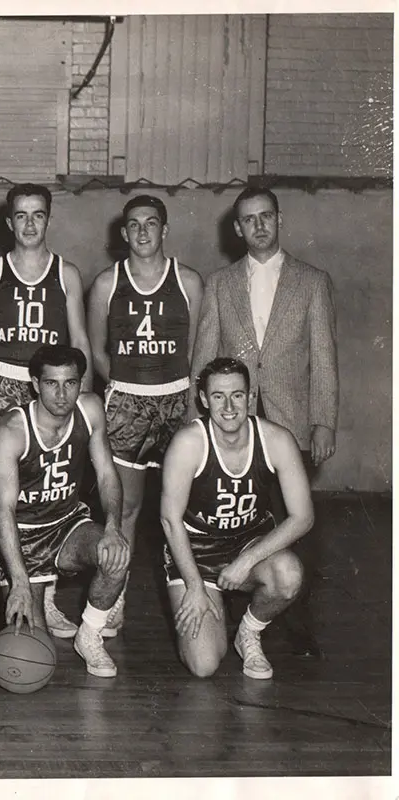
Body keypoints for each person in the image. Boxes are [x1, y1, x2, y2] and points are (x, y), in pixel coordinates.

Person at [190, 187, 337, 658]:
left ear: (279, 219)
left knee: (294, 523)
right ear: (237, 228)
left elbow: (324, 357)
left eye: (266, 216)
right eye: (249, 219)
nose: (258, 225)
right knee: (237, 516)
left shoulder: (312, 281)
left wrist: (323, 421)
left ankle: (292, 625)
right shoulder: (220, 282)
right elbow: (204, 359)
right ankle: (239, 611)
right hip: (233, 424)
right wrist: (197, 425)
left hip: (293, 421)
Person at [0, 183, 93, 639]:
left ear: (48, 219)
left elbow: (80, 340)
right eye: (21, 215)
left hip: (53, 387)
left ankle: (45, 596)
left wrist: (84, 400)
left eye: (38, 214)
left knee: (51, 493)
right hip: (0, 382)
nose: (30, 223)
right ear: (8, 222)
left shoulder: (67, 273)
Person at [86, 195, 203, 637]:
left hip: (177, 400)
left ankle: (192, 593)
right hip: (127, 403)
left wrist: (184, 397)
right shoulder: (106, 283)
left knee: (182, 508)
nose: (142, 232)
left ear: (164, 230)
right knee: (126, 508)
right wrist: (122, 386)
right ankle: (114, 598)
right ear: (123, 233)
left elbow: (196, 350)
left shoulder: (188, 281)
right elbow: (96, 350)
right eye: (133, 224)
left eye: (151, 223)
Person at [160, 357, 313, 680]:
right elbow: (170, 520)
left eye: (237, 395)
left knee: (288, 574)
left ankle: (249, 632)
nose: (229, 407)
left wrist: (247, 561)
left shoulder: (276, 440)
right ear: (204, 399)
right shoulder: (188, 443)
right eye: (218, 396)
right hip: (196, 554)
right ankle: (210, 601)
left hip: (249, 545)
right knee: (203, 665)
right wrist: (194, 586)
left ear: (251, 396)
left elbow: (303, 517)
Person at [0, 345, 129, 677]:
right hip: (22, 535)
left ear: (81, 382)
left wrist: (113, 527)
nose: (62, 394)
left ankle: (89, 635)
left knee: (115, 555)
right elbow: (3, 510)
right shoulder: (11, 431)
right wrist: (19, 582)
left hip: (67, 523)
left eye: (71, 383)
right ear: (35, 384)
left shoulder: (90, 410)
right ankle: (36, 594)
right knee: (33, 654)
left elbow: (107, 475)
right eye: (52, 383)